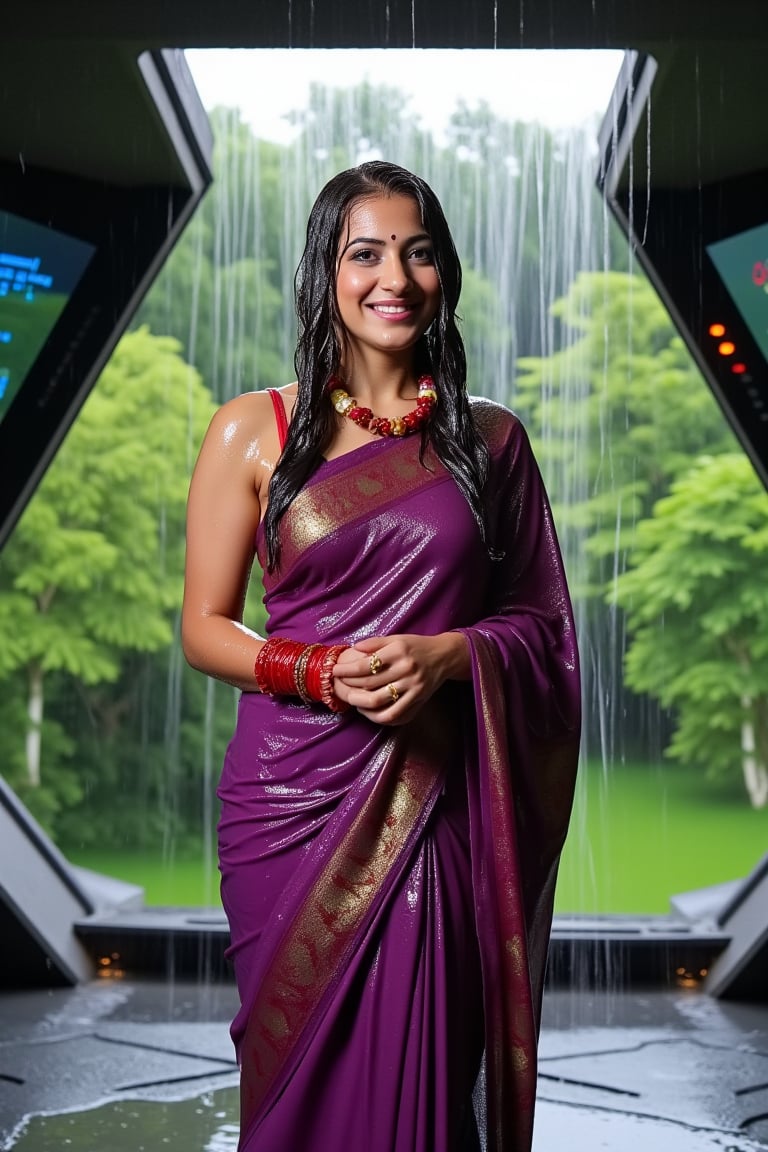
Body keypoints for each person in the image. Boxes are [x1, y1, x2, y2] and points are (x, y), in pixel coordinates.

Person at [182, 160, 581, 1152]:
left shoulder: (492, 442)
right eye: (365, 252)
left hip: (431, 803)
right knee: (291, 1085)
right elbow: (204, 624)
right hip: (284, 803)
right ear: (329, 270)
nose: (392, 276)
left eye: (418, 251)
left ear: (445, 272)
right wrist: (313, 671)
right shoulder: (253, 431)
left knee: (425, 1078)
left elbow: (541, 629)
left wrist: (452, 654)